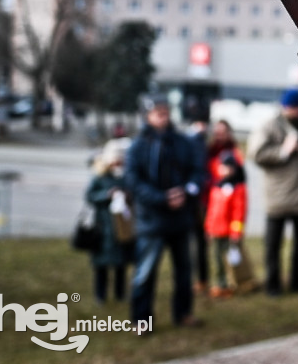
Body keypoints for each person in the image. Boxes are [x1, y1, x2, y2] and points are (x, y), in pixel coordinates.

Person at [125, 95, 205, 330]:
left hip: (180, 219)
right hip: (152, 221)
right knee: (145, 273)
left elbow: (197, 172)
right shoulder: (138, 146)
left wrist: (187, 193)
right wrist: (161, 198)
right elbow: (133, 181)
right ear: (147, 116)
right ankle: (142, 320)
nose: (164, 115)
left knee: (184, 271)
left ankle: (183, 313)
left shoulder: (182, 142)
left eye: (166, 111)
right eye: (158, 112)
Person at [247, 87, 298, 296]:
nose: (295, 111)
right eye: (291, 107)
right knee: (273, 245)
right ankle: (273, 284)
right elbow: (256, 153)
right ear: (283, 106)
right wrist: (285, 150)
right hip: (277, 195)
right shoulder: (269, 126)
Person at [84, 138, 133, 304]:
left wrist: (127, 195)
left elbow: (134, 192)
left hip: (121, 226)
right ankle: (100, 295)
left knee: (121, 264)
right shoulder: (99, 176)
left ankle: (120, 294)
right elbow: (89, 196)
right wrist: (106, 195)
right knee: (101, 266)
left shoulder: (125, 176)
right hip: (103, 227)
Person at [204, 119, 248, 298]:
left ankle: (236, 282)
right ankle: (219, 283)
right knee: (216, 259)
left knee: (231, 259)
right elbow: (212, 211)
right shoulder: (216, 187)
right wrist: (208, 228)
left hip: (229, 231)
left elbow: (239, 212)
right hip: (215, 230)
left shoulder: (237, 189)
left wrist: (236, 231)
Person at [183, 97, 211, 296]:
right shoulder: (191, 142)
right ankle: (200, 278)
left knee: (201, 241)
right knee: (196, 240)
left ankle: (203, 277)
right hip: (195, 198)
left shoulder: (200, 141)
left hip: (204, 196)